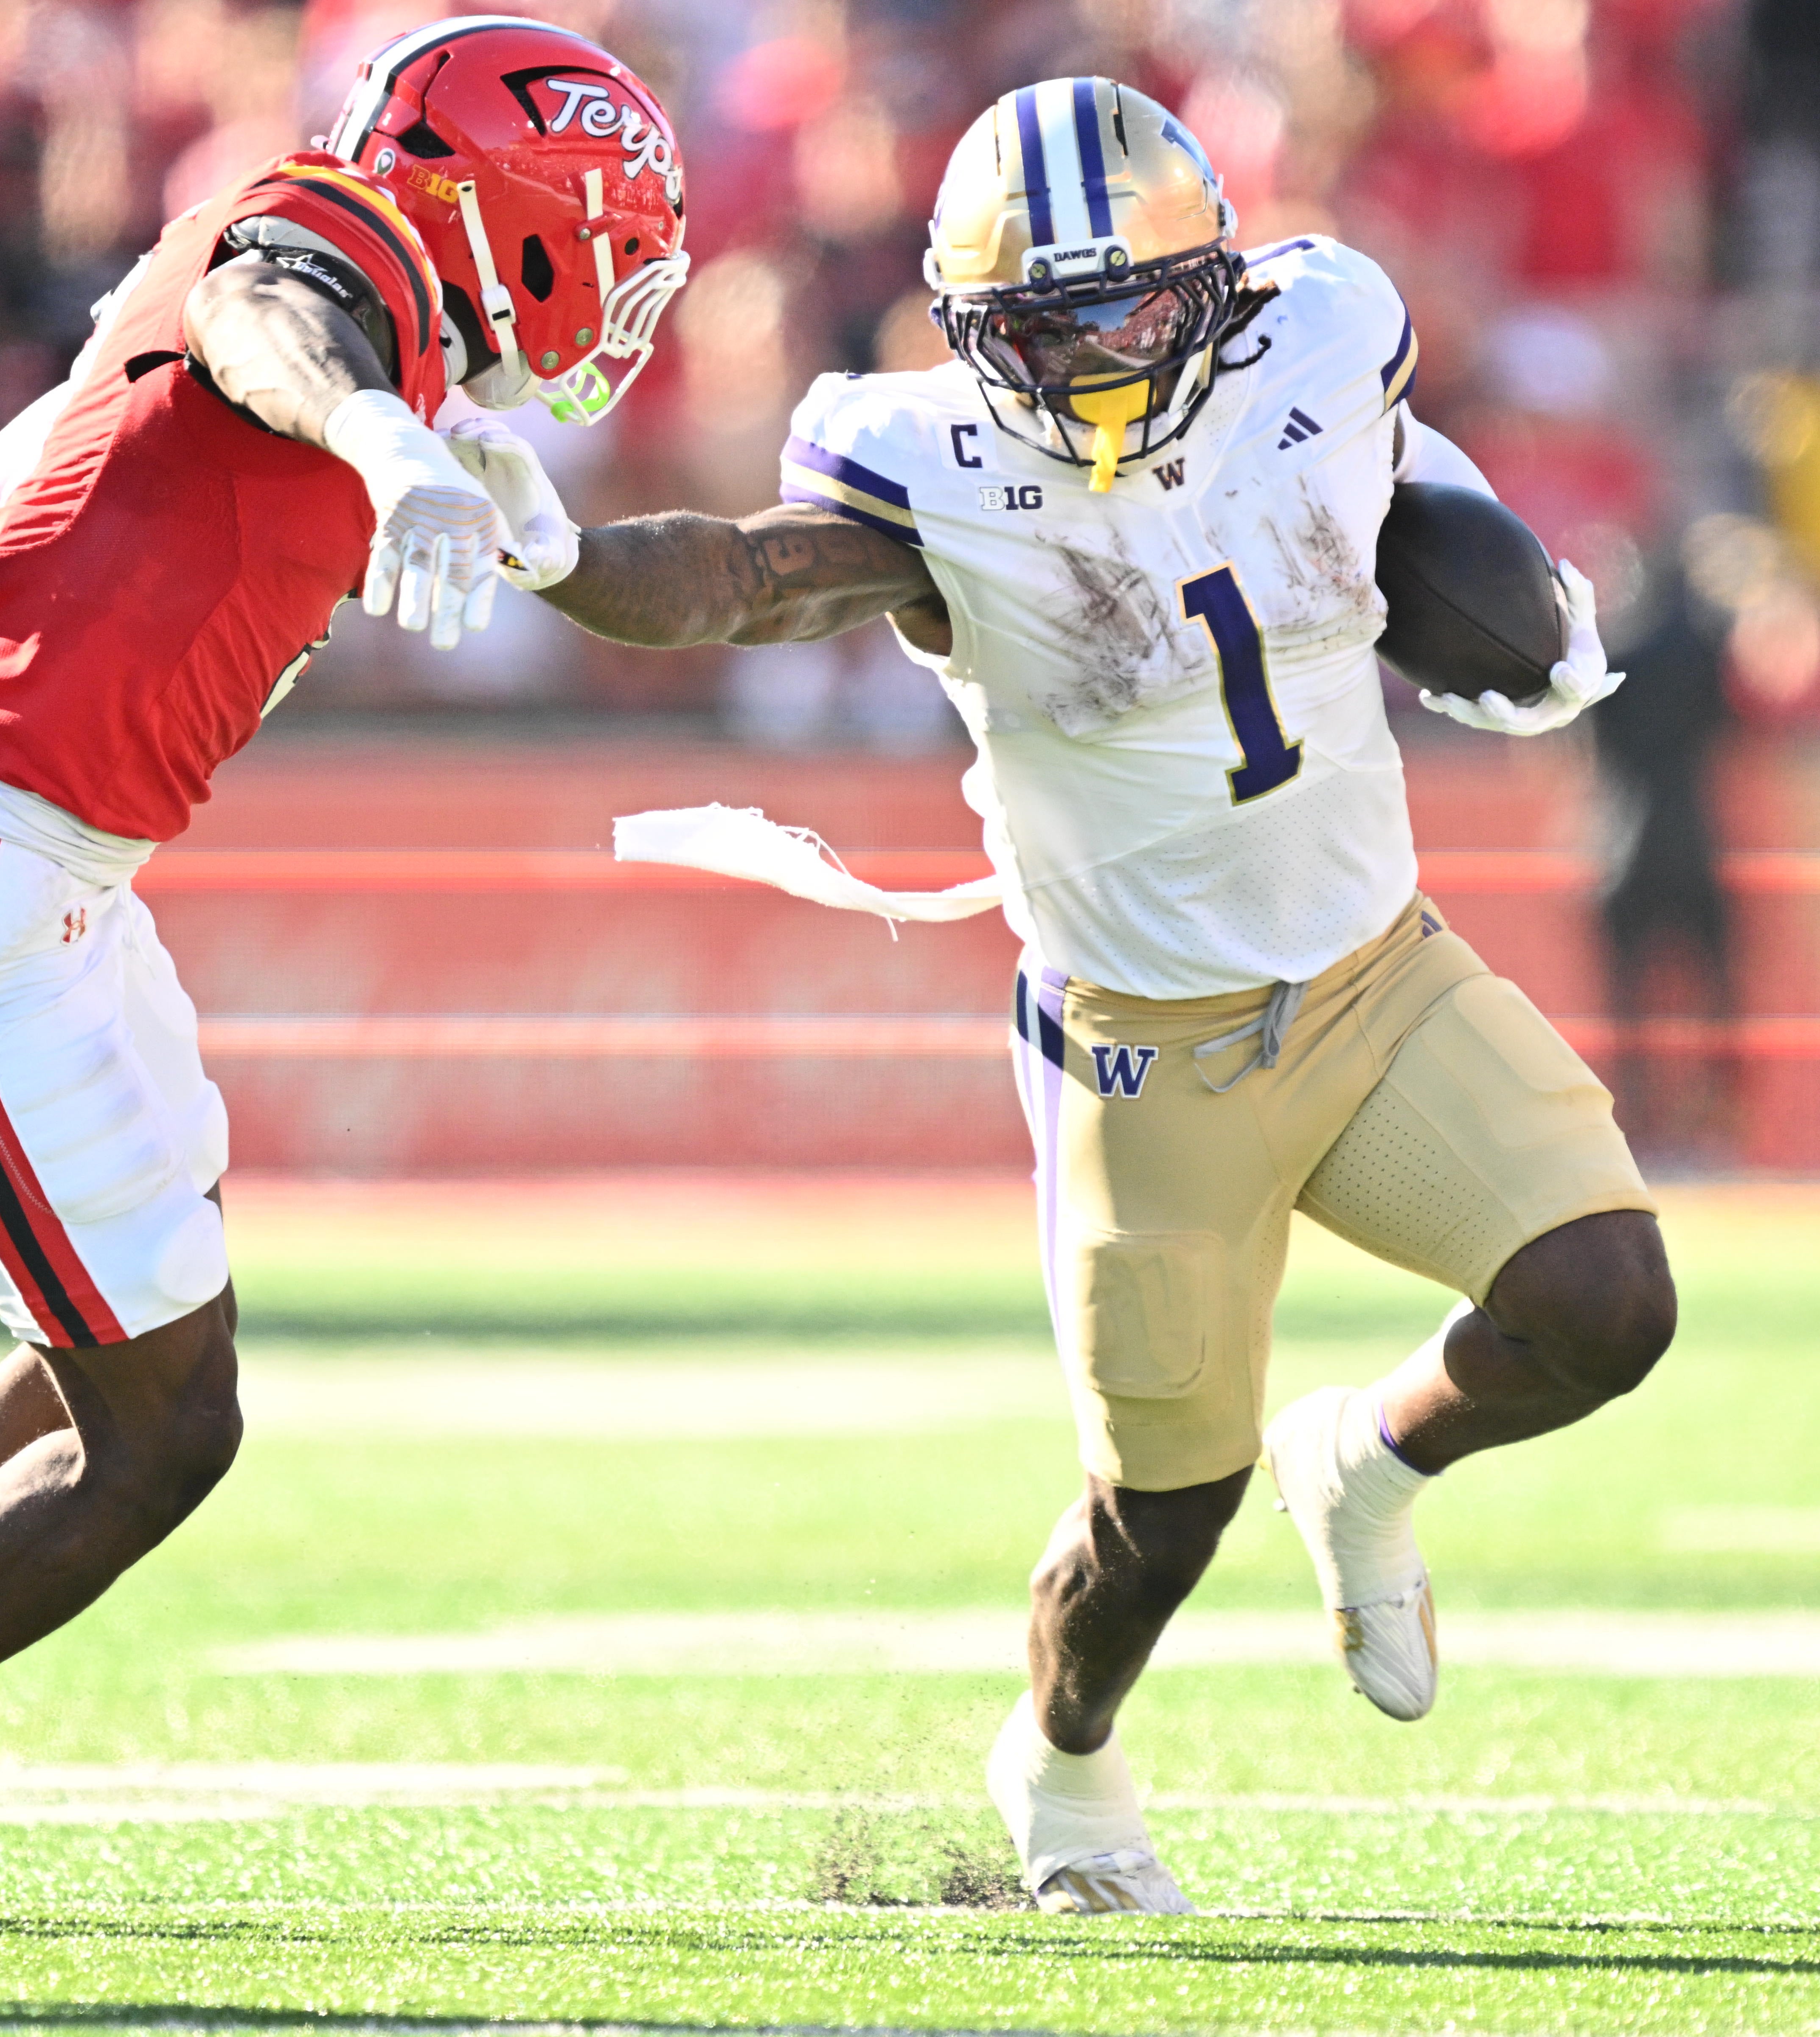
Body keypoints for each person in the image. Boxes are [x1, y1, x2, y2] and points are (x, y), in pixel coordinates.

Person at [453, 78, 1674, 1915]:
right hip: (1142, 1051)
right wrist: (562, 555)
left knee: (1603, 1300)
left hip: (1375, 975)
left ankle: (1359, 1462)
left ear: (1216, 284)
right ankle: (1062, 1756)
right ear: (968, 332)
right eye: (1042, 326)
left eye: (1124, 310)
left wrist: (1531, 614)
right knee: (1154, 1519)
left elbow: (1398, 469)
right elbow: (747, 580)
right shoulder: (925, 458)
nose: (1091, 358)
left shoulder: (1324, 328)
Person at [0, 17, 690, 1933]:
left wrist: (441, 453)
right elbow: (276, 330)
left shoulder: (393, 321)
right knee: (165, 1433)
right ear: (514, 213)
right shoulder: (324, 239)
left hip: (26, 863)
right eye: (605, 234)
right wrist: (388, 440)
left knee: (117, 1349)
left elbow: (21, 485)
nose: (620, 286)